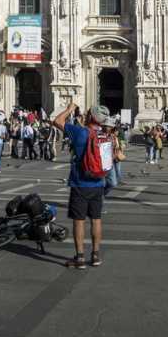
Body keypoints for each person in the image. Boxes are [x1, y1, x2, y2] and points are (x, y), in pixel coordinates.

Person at [50, 101, 116, 268]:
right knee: (96, 219)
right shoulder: (105, 135)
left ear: (92, 116)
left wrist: (69, 109)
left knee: (79, 220)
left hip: (80, 183)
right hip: (98, 183)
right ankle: (95, 255)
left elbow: (57, 121)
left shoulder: (80, 133)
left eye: (88, 113)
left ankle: (80, 257)